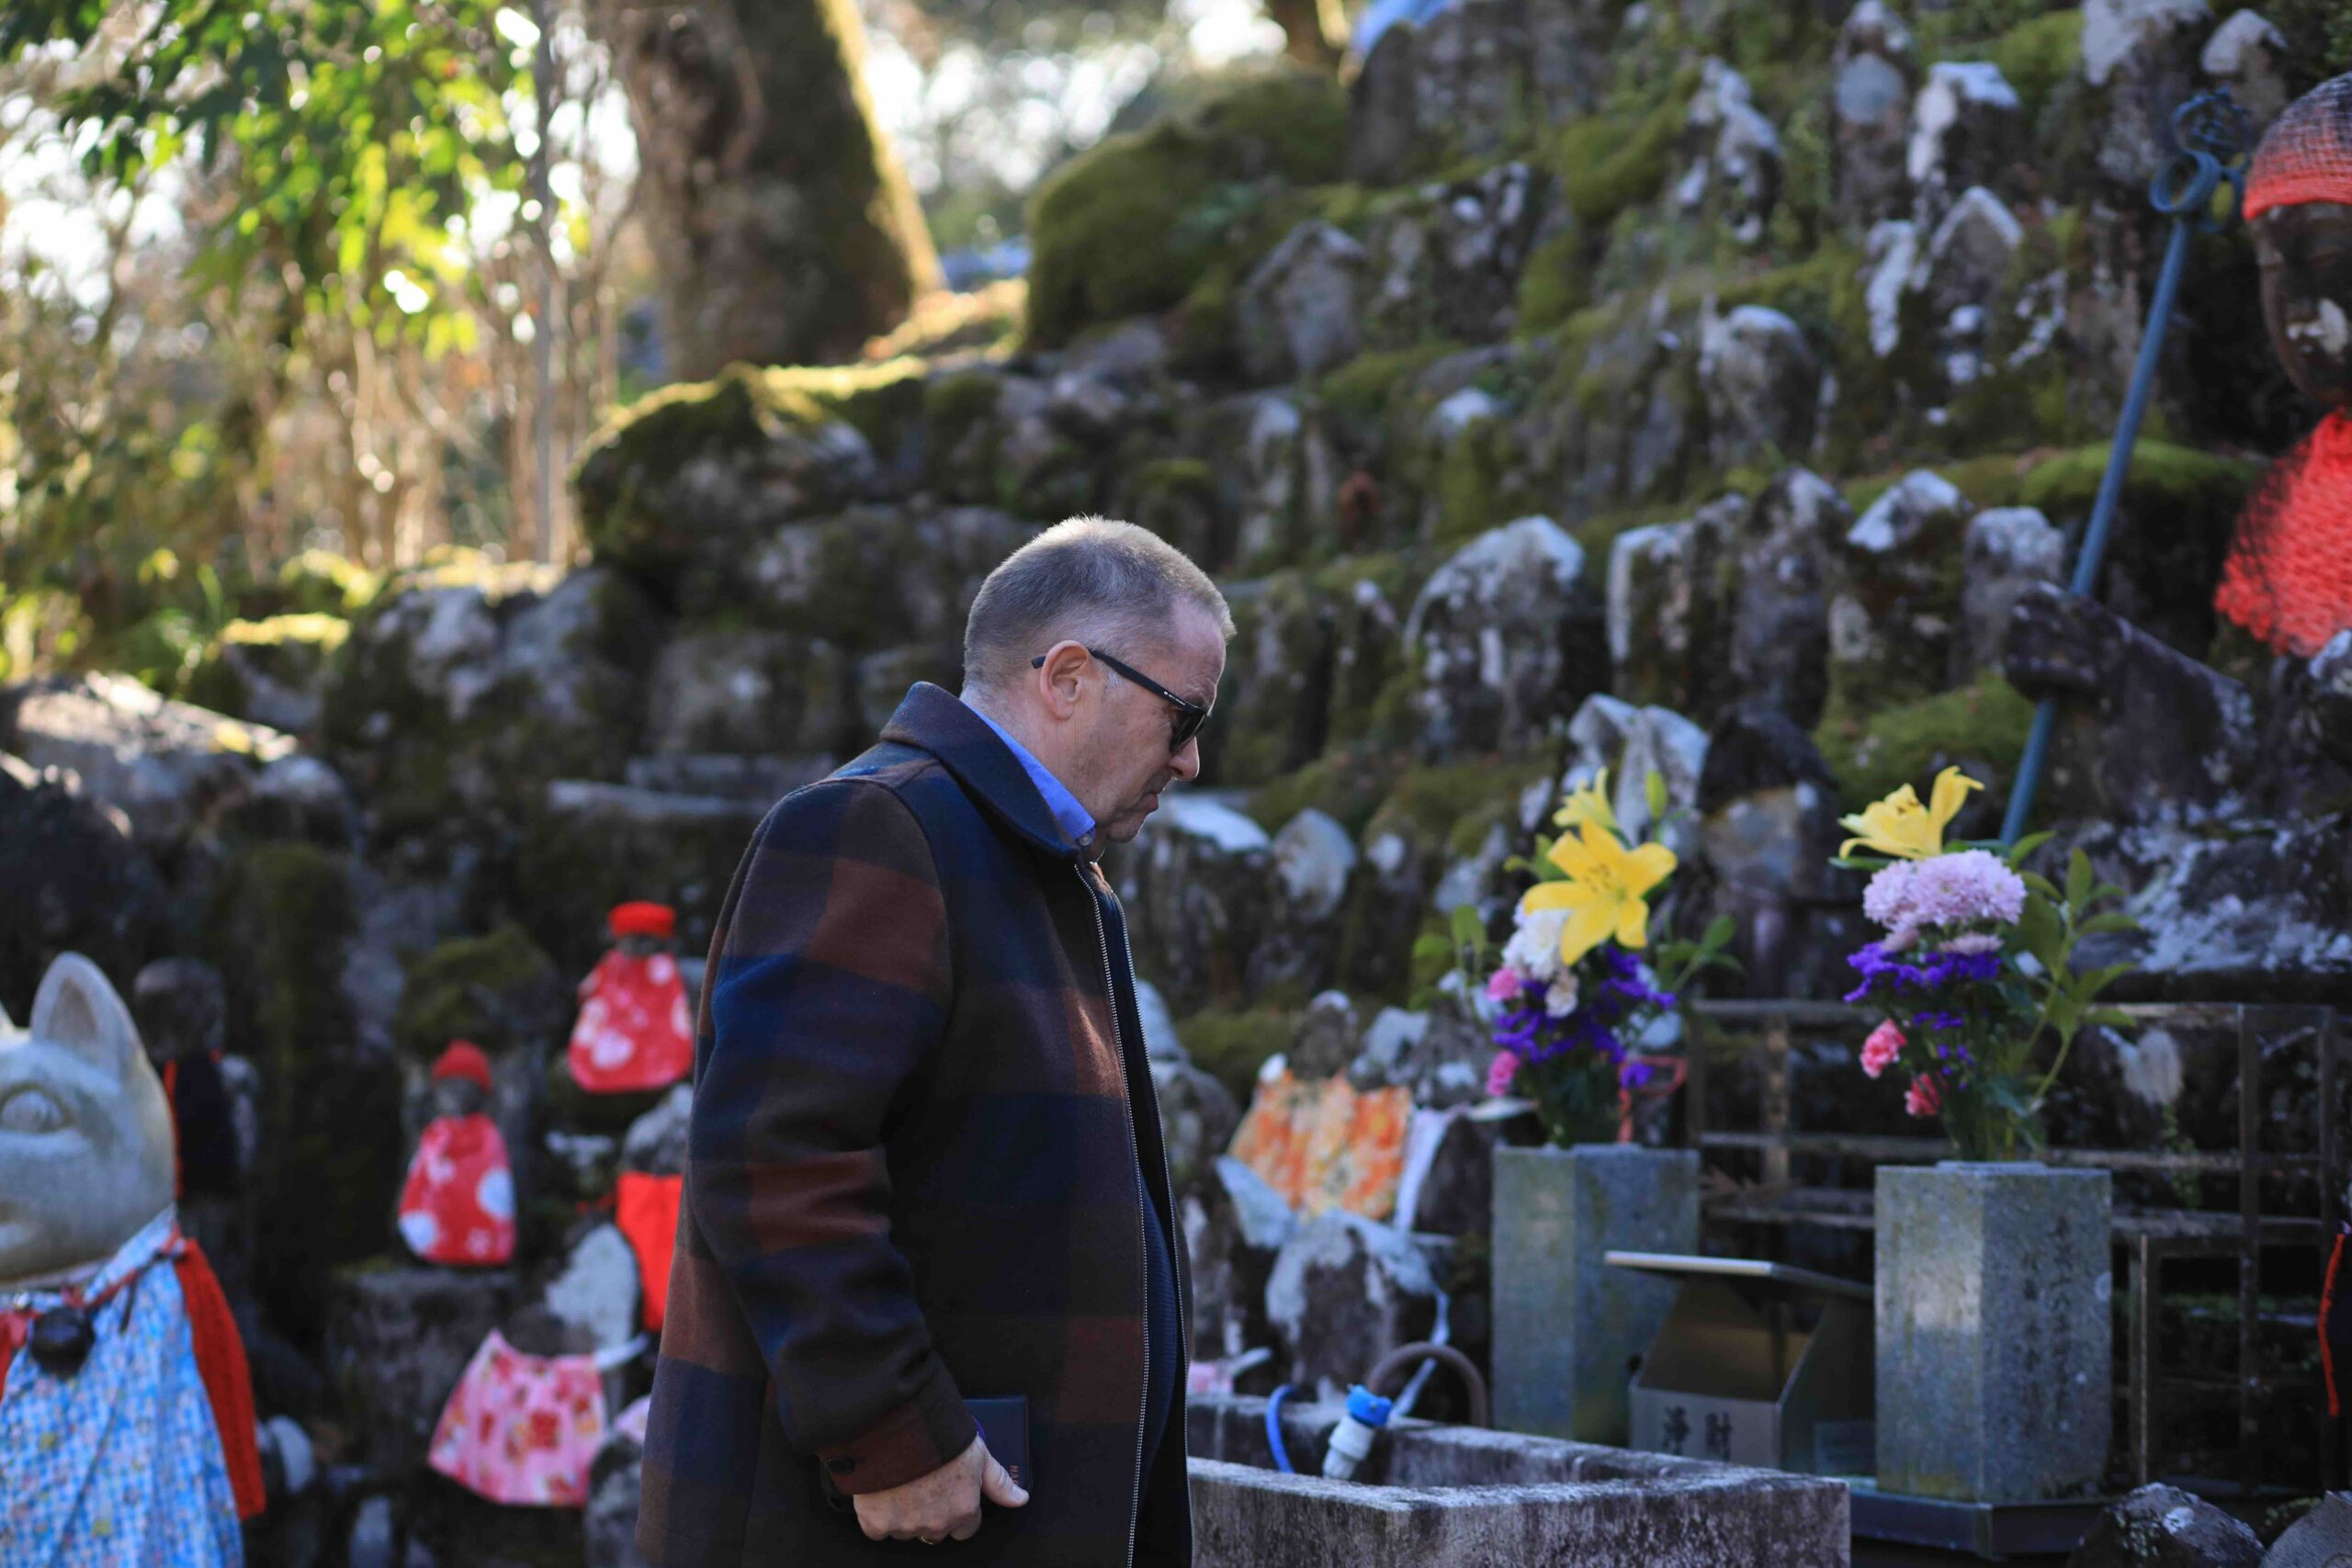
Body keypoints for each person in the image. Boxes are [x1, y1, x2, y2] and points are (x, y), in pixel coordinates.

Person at [636, 517, 1231, 1566]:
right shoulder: (881, 826)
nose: (1189, 760)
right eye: (1181, 716)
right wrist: (891, 1433)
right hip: (856, 1528)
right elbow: (773, 1159)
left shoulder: (1043, 869)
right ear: (1067, 676)